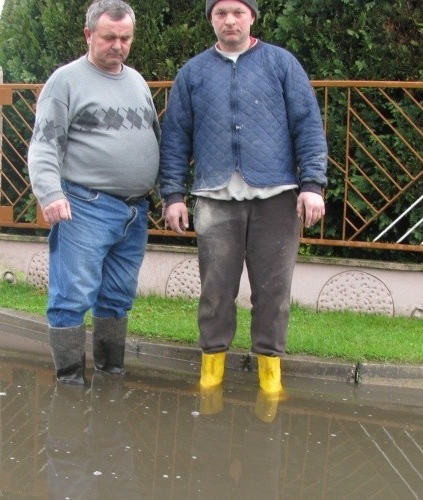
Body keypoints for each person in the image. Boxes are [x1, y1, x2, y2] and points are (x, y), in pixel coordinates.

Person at [159, 0, 327, 396]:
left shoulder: (281, 64)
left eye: (238, 11)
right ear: (211, 20)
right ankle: (211, 369)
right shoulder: (193, 74)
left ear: (252, 16)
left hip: (277, 199)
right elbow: (175, 138)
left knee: (274, 291)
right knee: (215, 291)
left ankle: (271, 373)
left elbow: (308, 125)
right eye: (220, 13)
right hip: (215, 200)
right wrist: (172, 195)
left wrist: (312, 185)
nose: (229, 20)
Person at [27, 0, 161, 385]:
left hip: (134, 212)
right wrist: (50, 193)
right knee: (72, 297)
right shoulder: (65, 81)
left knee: (118, 297)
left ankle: (110, 373)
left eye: (125, 37)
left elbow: (151, 137)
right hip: (85, 206)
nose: (117, 45)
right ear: (88, 35)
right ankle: (69, 383)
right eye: (108, 37)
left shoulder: (136, 81)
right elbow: (44, 144)